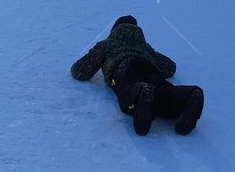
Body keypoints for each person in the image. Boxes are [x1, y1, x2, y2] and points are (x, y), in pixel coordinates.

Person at [70, 15, 204, 137]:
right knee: (163, 90)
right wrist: (149, 54)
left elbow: (80, 71)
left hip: (124, 67)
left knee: (128, 88)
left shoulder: (107, 44)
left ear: (114, 30)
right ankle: (187, 96)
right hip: (149, 66)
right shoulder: (145, 46)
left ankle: (141, 93)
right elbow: (170, 68)